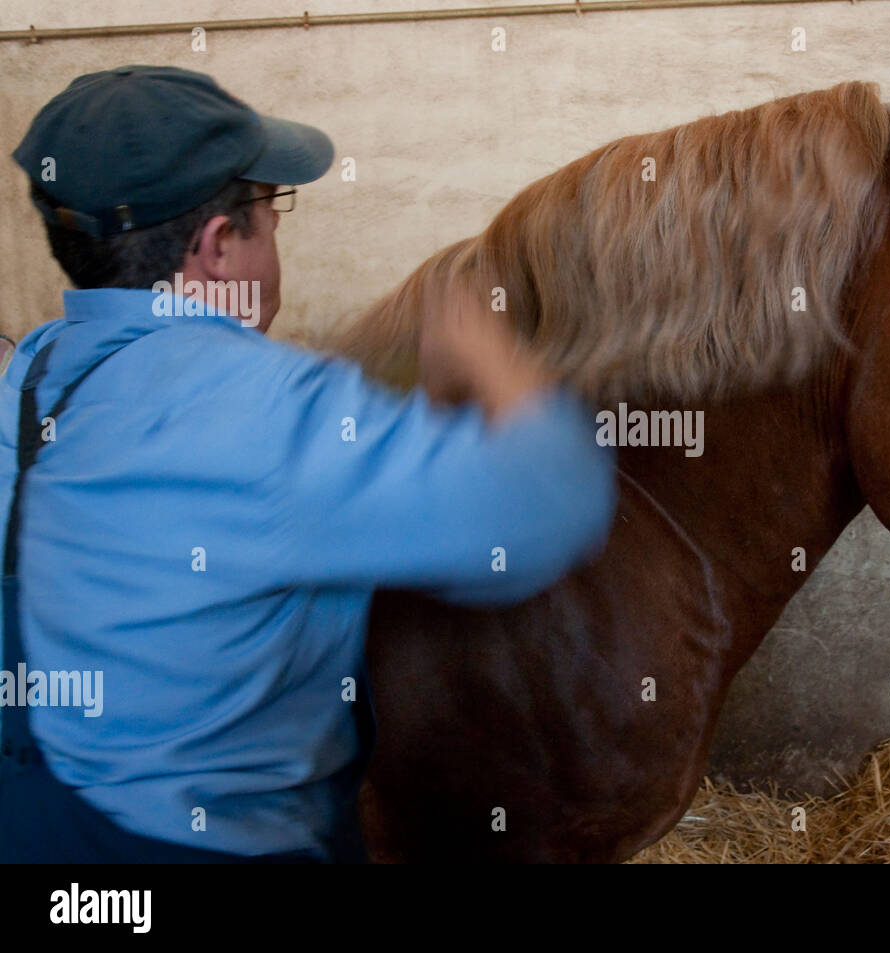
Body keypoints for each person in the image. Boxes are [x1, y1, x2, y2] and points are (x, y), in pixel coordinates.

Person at [0, 65, 616, 863]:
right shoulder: (266, 404)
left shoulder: (37, 370)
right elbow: (548, 502)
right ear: (220, 247)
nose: (277, 231)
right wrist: (490, 358)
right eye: (270, 209)